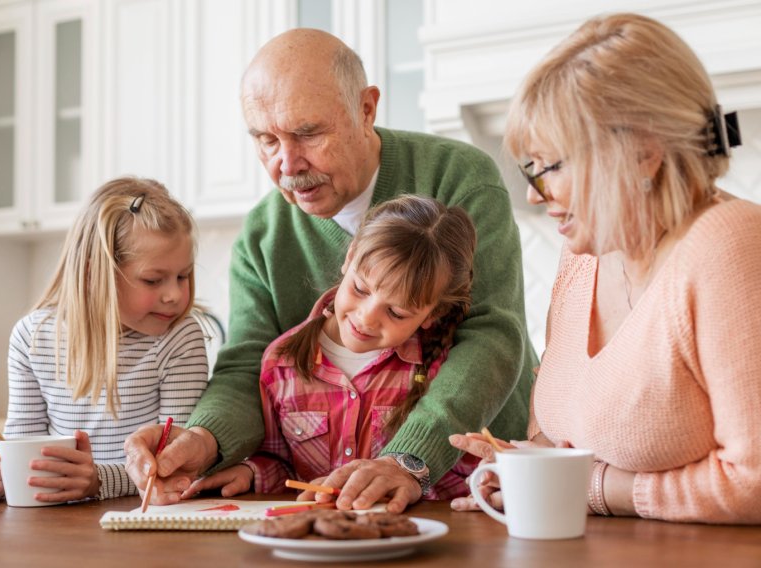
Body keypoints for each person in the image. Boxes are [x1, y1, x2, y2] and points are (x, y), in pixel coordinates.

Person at [124, 28, 537, 512]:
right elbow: (246, 366)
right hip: (343, 500)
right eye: (266, 140)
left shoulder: (457, 176)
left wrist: (408, 460)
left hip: (482, 490)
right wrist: (204, 438)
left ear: (366, 109)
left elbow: (491, 333)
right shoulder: (262, 234)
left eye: (307, 133)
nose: (287, 164)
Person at [450, 13, 761, 524]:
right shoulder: (583, 255)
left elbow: (752, 481)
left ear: (643, 152)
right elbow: (571, 430)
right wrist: (529, 464)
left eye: (552, 168)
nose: (533, 194)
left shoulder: (728, 246)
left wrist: (593, 489)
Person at [215, 195, 481, 508]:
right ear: (350, 256)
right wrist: (251, 473)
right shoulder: (282, 362)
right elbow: (280, 461)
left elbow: (462, 472)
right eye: (360, 289)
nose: (367, 317)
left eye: (396, 312)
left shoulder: (444, 369)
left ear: (432, 315)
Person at [0, 177, 209, 503]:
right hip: (57, 530)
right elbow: (24, 447)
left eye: (183, 275)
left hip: (143, 522)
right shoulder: (33, 338)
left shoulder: (179, 339)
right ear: (96, 274)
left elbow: (178, 464)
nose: (175, 295)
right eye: (154, 279)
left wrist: (99, 480)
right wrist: (0, 475)